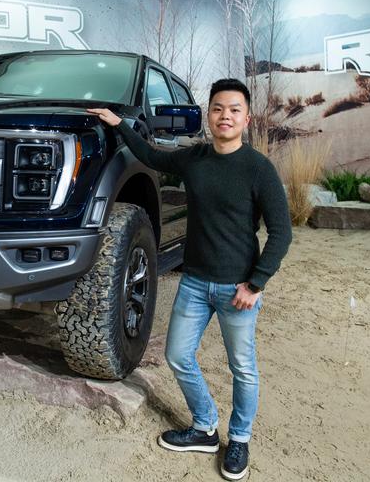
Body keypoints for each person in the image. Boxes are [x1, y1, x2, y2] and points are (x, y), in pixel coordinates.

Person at [87, 78, 292, 481]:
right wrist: (116, 123)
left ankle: (239, 439)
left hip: (238, 290)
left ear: (246, 118)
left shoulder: (259, 169)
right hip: (196, 284)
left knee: (243, 368)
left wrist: (256, 284)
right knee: (178, 355)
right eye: (217, 108)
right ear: (208, 115)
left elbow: (281, 232)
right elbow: (149, 154)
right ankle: (204, 427)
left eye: (234, 109)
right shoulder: (194, 158)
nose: (225, 116)